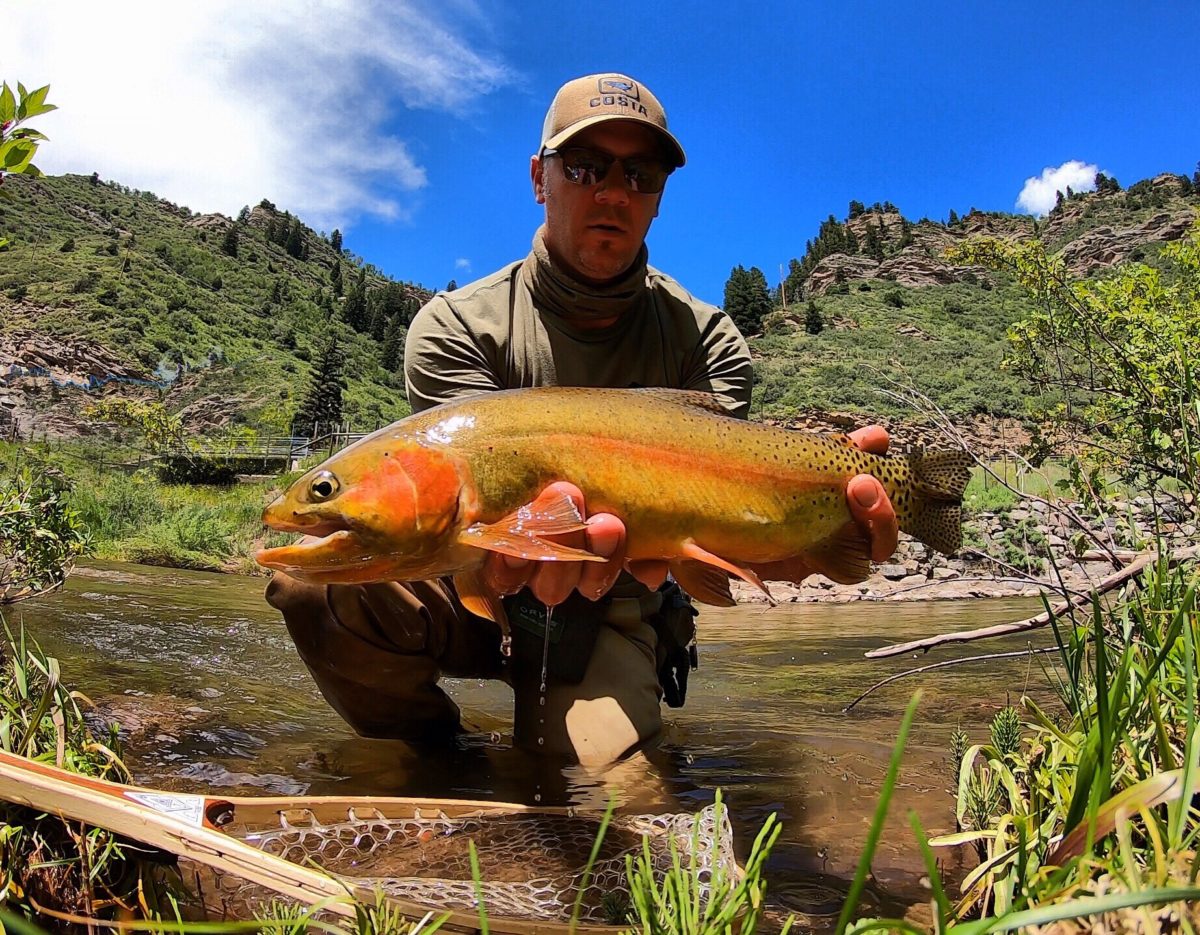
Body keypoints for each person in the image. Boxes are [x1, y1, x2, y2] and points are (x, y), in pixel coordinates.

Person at [267, 73, 898, 766]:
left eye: (641, 173)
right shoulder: (453, 328)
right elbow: (443, 527)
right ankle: (436, 769)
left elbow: (716, 525)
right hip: (467, 574)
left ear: (659, 195)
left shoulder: (707, 340)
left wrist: (800, 536)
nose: (614, 191)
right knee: (311, 586)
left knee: (602, 796)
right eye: (586, 167)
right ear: (541, 179)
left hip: (618, 601)